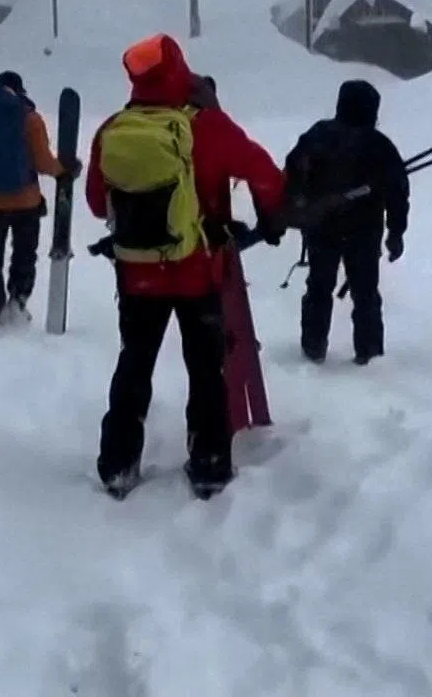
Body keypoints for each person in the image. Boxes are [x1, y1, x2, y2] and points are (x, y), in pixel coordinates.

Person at [85, 34, 286, 498]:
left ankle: (118, 462)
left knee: (134, 363)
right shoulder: (208, 127)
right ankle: (210, 464)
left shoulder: (114, 128)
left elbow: (99, 204)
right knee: (205, 367)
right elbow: (264, 173)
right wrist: (271, 213)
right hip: (199, 272)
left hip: (136, 275)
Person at [285, 79, 409, 365]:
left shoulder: (317, 135)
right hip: (363, 233)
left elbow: (293, 173)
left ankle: (313, 349)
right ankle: (370, 354)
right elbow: (398, 192)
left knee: (318, 288)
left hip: (321, 229)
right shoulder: (380, 145)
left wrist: (299, 208)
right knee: (365, 294)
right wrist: (396, 232)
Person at [0, 71, 74, 322]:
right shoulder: (29, 119)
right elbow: (43, 162)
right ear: (19, 91)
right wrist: (65, 169)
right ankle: (18, 301)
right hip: (25, 202)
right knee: (24, 253)